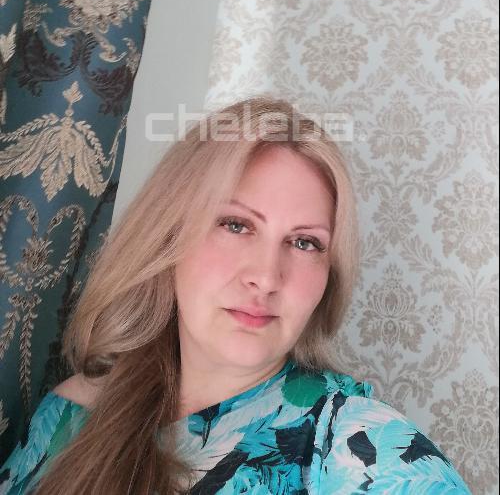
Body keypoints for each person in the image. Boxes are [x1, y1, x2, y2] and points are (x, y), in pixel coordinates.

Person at [0, 96, 472, 494]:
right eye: (236, 225)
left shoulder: (361, 447)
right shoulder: (69, 416)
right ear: (167, 237)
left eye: (304, 242)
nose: (266, 277)